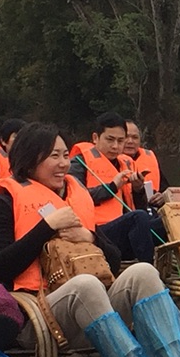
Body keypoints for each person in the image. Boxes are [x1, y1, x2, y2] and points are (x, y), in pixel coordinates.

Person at [0, 122, 180, 357]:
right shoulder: (1, 201)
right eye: (54, 156)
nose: (64, 163)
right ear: (28, 160)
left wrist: (89, 237)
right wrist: (45, 228)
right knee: (85, 286)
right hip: (35, 319)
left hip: (91, 315)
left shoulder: (74, 195)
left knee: (143, 272)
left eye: (65, 155)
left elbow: (111, 261)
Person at [70, 112, 163, 264]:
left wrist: (138, 190)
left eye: (120, 141)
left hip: (124, 233)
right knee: (137, 217)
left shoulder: (126, 163)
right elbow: (74, 198)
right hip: (97, 234)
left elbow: (137, 207)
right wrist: (112, 187)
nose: (115, 146)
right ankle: (149, 269)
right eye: (110, 140)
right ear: (95, 138)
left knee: (163, 222)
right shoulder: (79, 163)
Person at [123, 120, 163, 200]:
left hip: (151, 207)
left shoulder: (149, 157)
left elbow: (164, 189)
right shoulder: (111, 161)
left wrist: (162, 197)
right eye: (126, 137)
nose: (130, 141)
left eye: (135, 137)